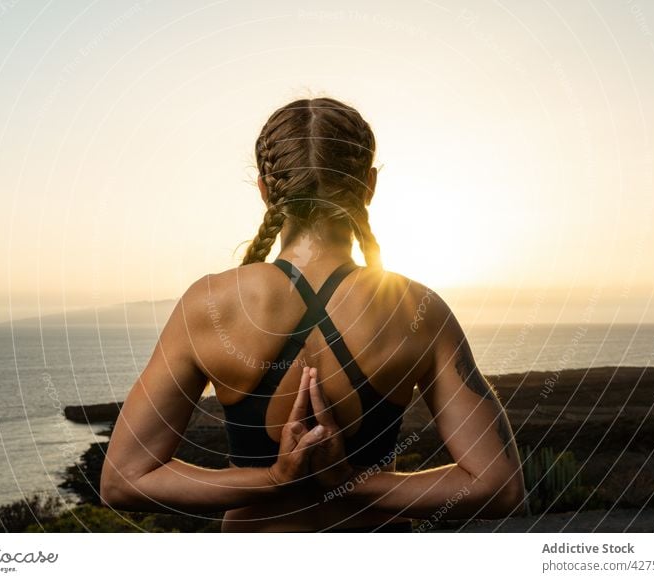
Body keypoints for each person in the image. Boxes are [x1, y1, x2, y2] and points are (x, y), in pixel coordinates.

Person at [99, 96, 525, 532]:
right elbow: (498, 485)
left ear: (265, 188)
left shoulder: (208, 304)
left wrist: (273, 479)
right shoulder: (416, 307)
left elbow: (124, 480)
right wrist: (351, 484)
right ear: (369, 186)